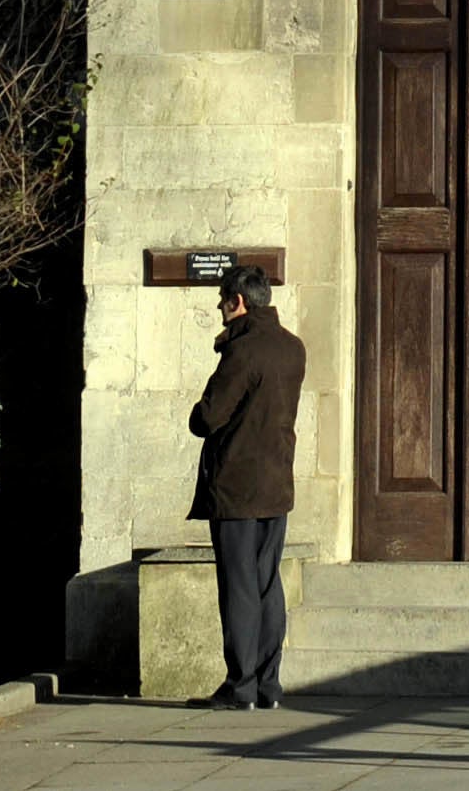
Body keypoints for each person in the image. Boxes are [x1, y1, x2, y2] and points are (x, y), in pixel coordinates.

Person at [187, 265, 306, 708]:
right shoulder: (293, 348)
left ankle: (240, 686)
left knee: (238, 587)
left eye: (222, 299)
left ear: (238, 302)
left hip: (237, 486)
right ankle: (268, 684)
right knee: (265, 584)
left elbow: (209, 416)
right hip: (277, 483)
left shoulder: (244, 351)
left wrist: (197, 412)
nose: (219, 307)